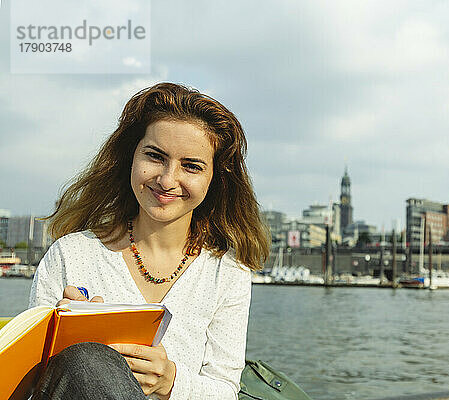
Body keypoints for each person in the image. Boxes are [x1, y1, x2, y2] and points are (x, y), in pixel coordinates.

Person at [28, 82, 270, 400]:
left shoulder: (227, 274)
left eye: (191, 166)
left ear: (215, 180)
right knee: (85, 360)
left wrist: (170, 381)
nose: (168, 180)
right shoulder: (71, 255)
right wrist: (56, 341)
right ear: (131, 156)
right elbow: (28, 385)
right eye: (155, 157)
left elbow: (225, 391)